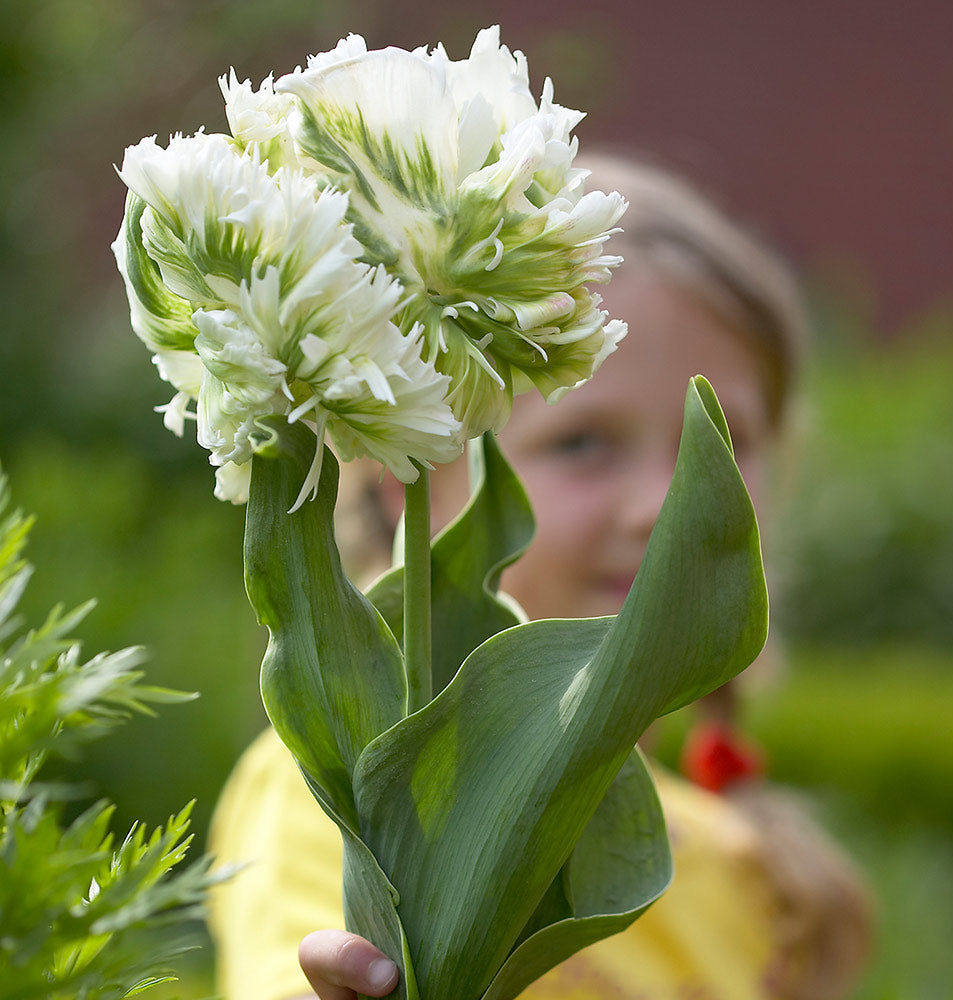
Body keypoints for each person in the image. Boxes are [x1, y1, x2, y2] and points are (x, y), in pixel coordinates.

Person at [208, 153, 873, 1000]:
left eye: (715, 447)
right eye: (583, 442)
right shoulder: (346, 800)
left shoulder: (748, 874)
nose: (659, 506)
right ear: (399, 467)